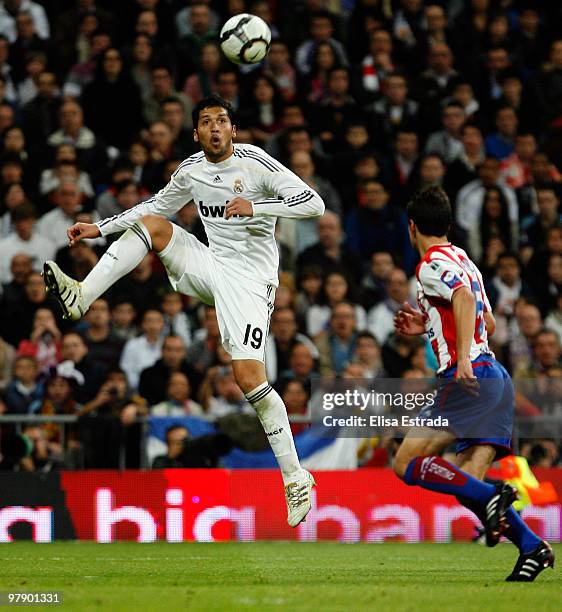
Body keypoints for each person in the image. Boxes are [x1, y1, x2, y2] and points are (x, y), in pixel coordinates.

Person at [43, 94, 324, 527]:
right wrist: (100, 227)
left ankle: (294, 477)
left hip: (251, 282)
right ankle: (81, 296)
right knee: (153, 227)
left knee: (248, 376)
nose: (215, 128)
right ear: (196, 134)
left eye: (222, 121)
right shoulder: (191, 171)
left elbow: (313, 204)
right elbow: (152, 206)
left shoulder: (256, 163)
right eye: (207, 122)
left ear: (233, 129)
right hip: (212, 266)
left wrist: (257, 205)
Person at [392, 185, 553, 582]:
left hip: (469, 376)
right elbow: (490, 321)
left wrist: (461, 356)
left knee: (406, 462)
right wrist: (428, 324)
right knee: (467, 481)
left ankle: (497, 495)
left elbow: (462, 298)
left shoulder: (429, 264)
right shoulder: (465, 258)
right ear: (448, 222)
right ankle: (533, 547)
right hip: (495, 378)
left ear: (412, 228)